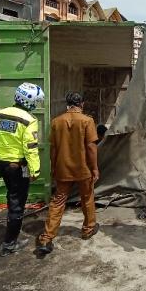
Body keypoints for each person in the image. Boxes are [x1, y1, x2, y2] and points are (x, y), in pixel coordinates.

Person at [37, 92, 100, 255]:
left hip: (62, 168)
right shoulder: (87, 121)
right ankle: (88, 229)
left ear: (68, 104)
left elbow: (53, 149)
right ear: (82, 104)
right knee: (87, 197)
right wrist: (95, 168)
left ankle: (46, 238)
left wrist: (53, 167)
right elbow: (91, 147)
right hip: (83, 168)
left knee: (58, 201)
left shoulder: (56, 122)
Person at [0, 82, 43, 257]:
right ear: (31, 102)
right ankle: (9, 244)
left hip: (1, 163)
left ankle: (10, 238)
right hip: (17, 167)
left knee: (12, 196)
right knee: (17, 204)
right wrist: (35, 171)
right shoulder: (29, 120)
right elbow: (31, 148)